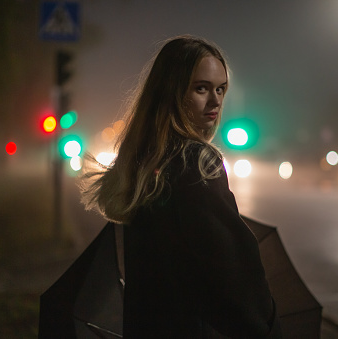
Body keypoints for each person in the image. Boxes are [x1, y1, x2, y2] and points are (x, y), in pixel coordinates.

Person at [81, 35, 282, 338]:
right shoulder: (197, 162)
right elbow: (234, 268)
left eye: (221, 89)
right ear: (172, 92)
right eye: (201, 88)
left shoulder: (145, 162)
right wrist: (267, 329)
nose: (215, 101)